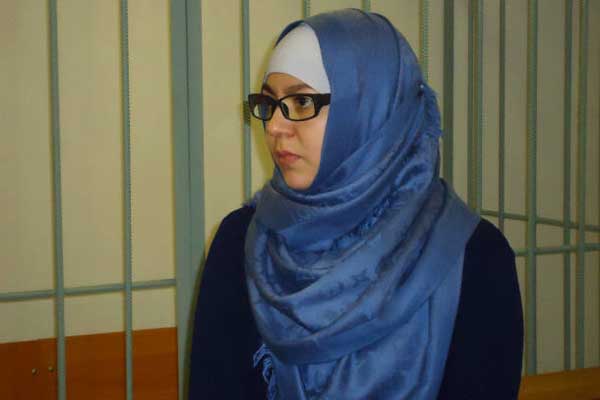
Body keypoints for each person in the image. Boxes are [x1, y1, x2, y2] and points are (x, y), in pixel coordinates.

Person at [189, 8, 523, 400]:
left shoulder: (472, 256)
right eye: (269, 103)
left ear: (372, 110)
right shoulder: (241, 243)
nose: (275, 126)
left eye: (301, 102)